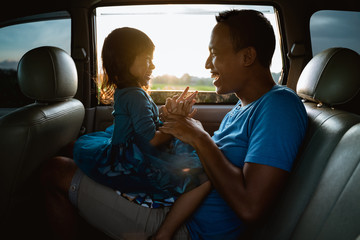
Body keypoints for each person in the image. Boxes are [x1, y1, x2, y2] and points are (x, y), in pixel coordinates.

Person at [42, 9, 307, 240]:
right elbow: (211, 160)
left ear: (248, 57)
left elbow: (250, 206)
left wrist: (198, 136)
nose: (206, 64)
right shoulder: (240, 108)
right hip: (174, 202)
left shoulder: (279, 105)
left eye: (214, 53)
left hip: (188, 227)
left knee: (54, 171)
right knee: (72, 150)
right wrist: (179, 125)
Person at [41, 27, 210, 240]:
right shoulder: (136, 96)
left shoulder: (130, 92)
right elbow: (150, 140)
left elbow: (145, 125)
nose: (153, 65)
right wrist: (177, 127)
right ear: (125, 61)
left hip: (128, 146)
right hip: (132, 158)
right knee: (195, 174)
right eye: (147, 59)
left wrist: (169, 118)